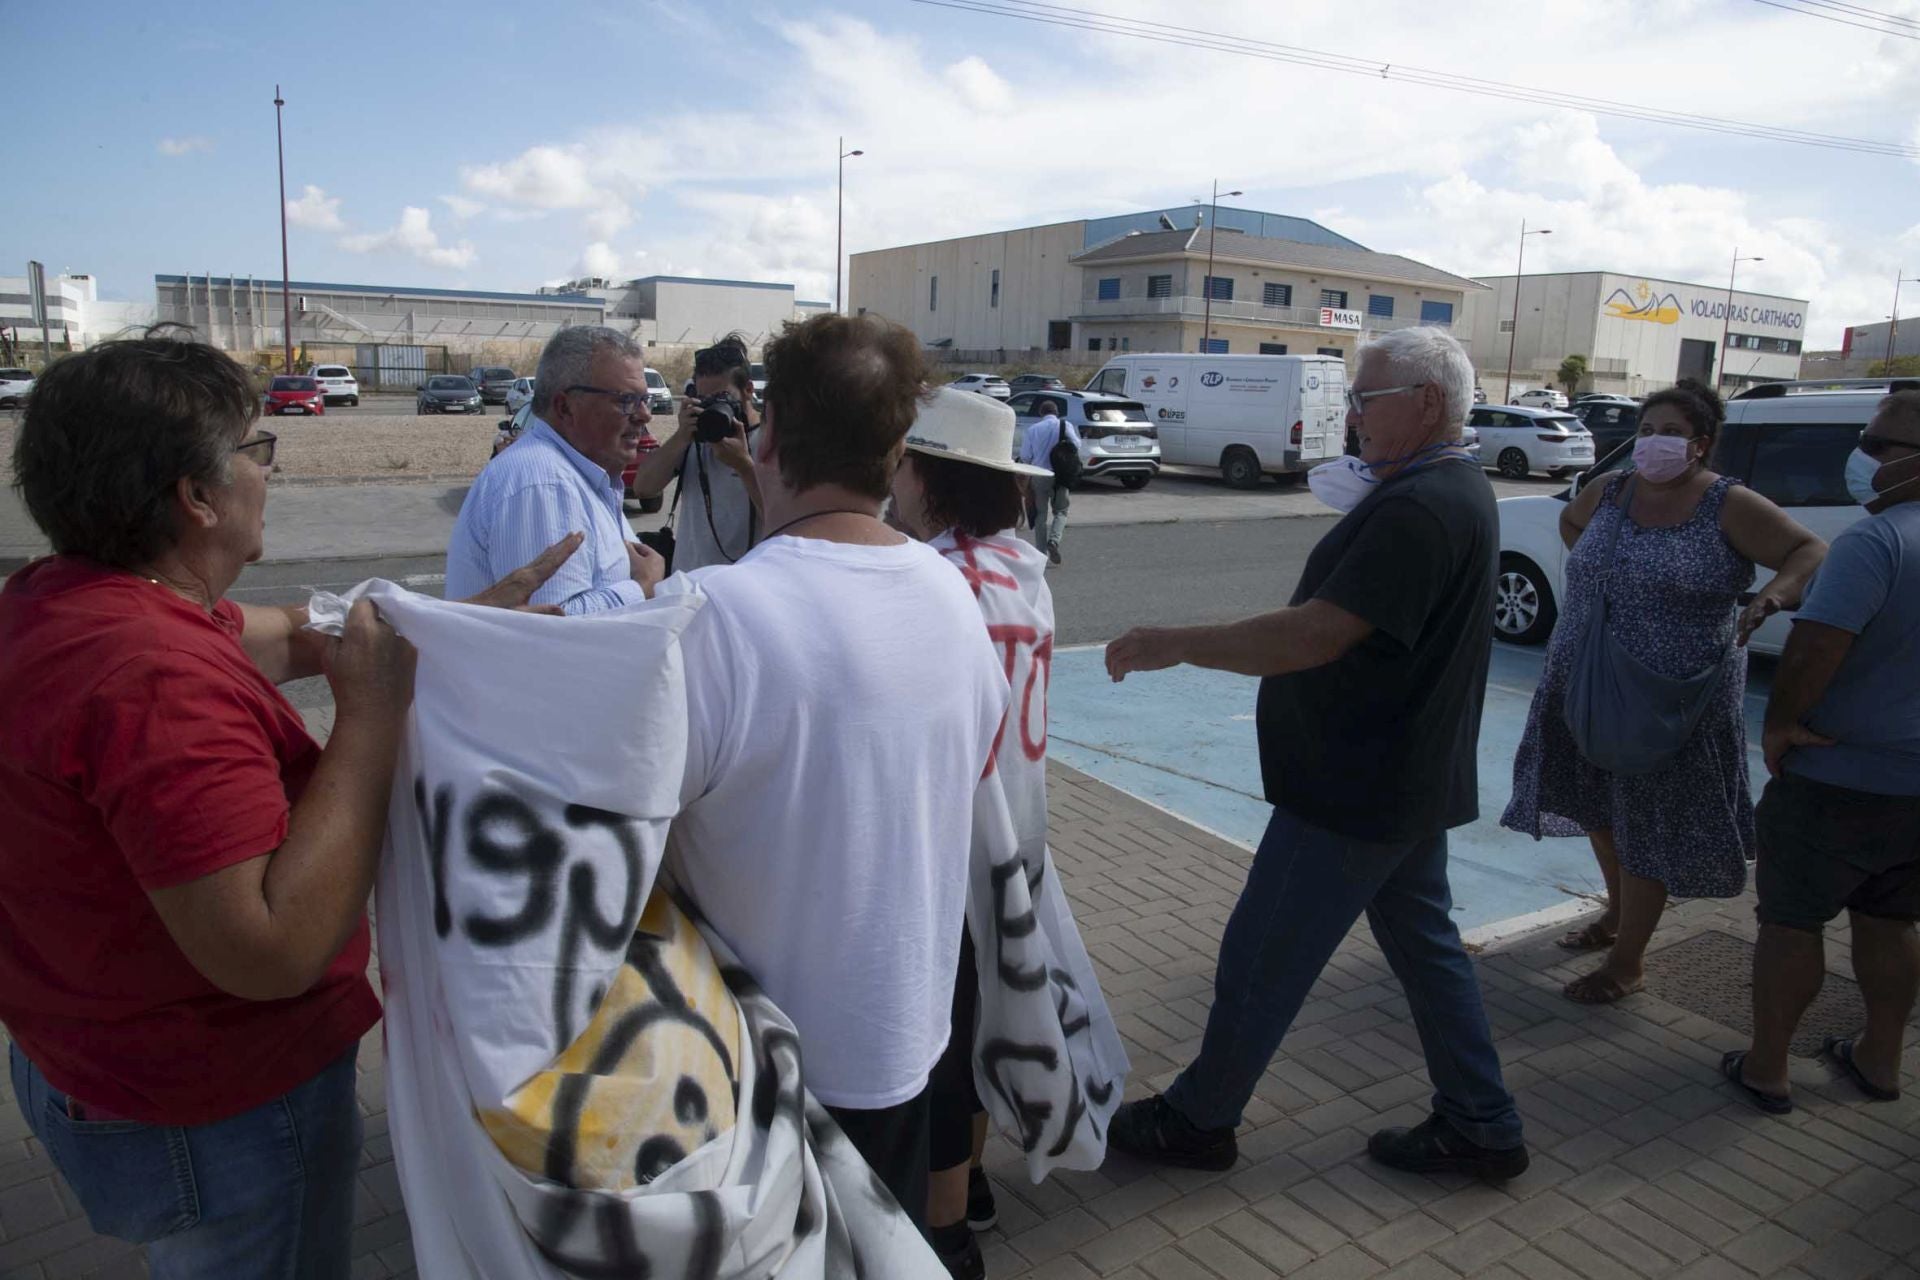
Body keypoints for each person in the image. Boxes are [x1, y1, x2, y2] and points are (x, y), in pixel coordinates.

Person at [0, 333, 570, 1278]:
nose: (267, 474)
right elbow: (273, 948)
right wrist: (374, 718)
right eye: (255, 452)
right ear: (196, 496)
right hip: (214, 1109)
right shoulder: (155, 679)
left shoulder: (78, 599)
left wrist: (452, 627)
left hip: (99, 1054)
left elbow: (285, 634)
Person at [1100, 326, 1529, 1181]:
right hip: (1407, 777)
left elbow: (1315, 636)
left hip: (1357, 787)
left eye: (1369, 399)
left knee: (1263, 956)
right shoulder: (1452, 487)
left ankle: (1200, 1117)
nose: (1355, 416)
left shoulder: (1418, 505)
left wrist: (1175, 642)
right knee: (1425, 951)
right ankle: (1481, 1120)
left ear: (1429, 404)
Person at [656, 315, 1009, 1228]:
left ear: (767, 437)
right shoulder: (952, 597)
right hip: (901, 1037)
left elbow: (627, 836)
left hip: (750, 1065)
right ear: (896, 454)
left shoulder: (710, 612)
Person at [1502, 380, 1826, 1004]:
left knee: (1648, 824)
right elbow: (1573, 524)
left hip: (1673, 697)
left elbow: (1808, 550)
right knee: (1596, 802)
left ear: (1700, 445)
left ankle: (1627, 964)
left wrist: (1772, 595)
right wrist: (1611, 585)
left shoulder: (1728, 504)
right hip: (1586, 678)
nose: (1652, 443)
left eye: (1670, 433)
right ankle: (1616, 914)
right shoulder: (1612, 489)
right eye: (1645, 430)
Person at [889, 388, 1057, 1279]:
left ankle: (946, 1232)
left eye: (906, 465)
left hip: (952, 842)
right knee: (990, 1000)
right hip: (1020, 830)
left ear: (934, 478)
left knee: (946, 1033)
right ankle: (976, 1185)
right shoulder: (1023, 569)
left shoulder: (938, 578)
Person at [1727, 390, 1920, 1113]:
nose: (1860, 458)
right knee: (1891, 920)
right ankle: (1879, 1059)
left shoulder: (1876, 542)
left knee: (1790, 921)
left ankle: (1767, 1066)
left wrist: (1779, 728)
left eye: (1877, 447)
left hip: (1839, 778)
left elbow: (1813, 650)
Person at [446, 325, 666, 610]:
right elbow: (553, 633)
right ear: (565, 407)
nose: (644, 415)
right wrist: (642, 588)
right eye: (626, 401)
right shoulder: (544, 483)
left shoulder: (581, 474)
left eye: (644, 400)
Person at [628, 334, 762, 571]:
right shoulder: (694, 438)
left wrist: (744, 467)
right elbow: (643, 487)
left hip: (744, 588)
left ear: (748, 390)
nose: (713, 407)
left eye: (723, 398)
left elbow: (786, 521)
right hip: (690, 586)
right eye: (704, 399)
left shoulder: (769, 441)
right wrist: (681, 436)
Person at [1018, 397, 1079, 566]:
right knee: (1061, 511)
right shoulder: (1065, 426)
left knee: (1040, 516)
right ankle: (1054, 541)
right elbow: (1076, 445)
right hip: (1061, 475)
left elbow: (1025, 456)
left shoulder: (1033, 429)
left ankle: (1041, 554)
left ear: (1041, 413)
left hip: (1039, 475)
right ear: (1056, 413)